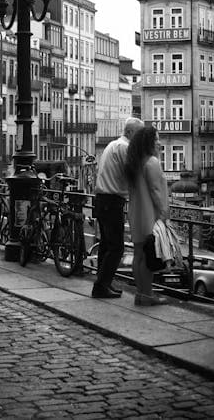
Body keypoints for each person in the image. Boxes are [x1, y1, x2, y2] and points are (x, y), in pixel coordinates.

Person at [91, 117, 144, 299]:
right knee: (116, 247)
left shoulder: (113, 144)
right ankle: (101, 286)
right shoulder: (125, 147)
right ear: (130, 132)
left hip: (103, 199)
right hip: (112, 200)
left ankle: (103, 282)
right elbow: (134, 173)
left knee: (106, 245)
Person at [125, 125, 169, 306]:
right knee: (149, 255)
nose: (159, 142)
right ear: (148, 142)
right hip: (149, 213)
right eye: (156, 139)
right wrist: (164, 213)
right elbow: (156, 190)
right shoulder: (152, 162)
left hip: (136, 212)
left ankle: (140, 292)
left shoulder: (135, 162)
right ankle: (148, 294)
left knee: (138, 254)